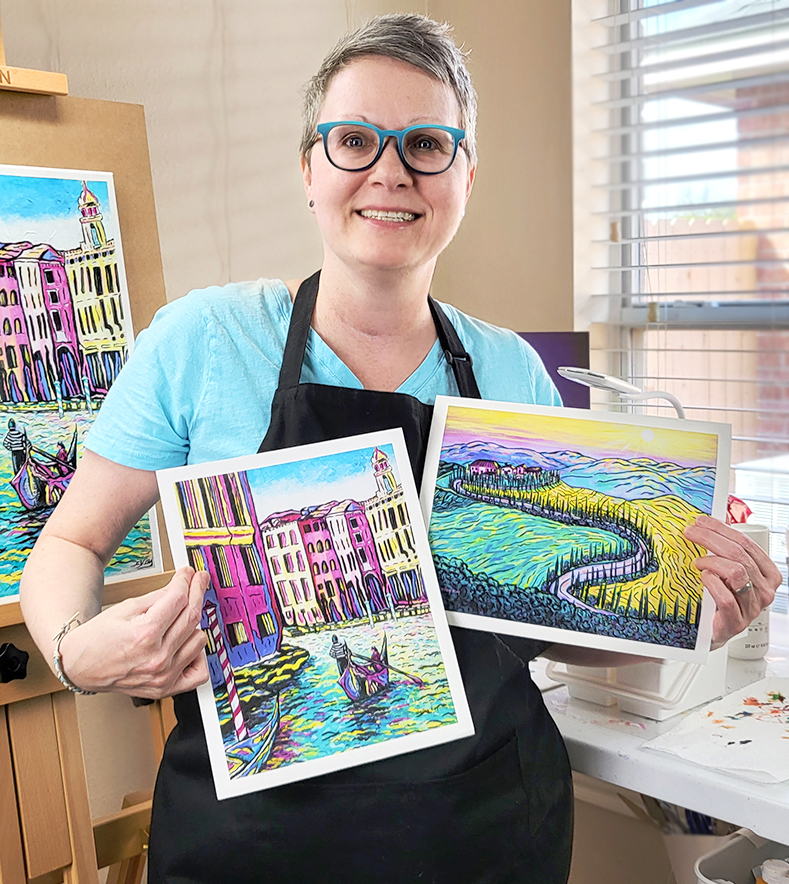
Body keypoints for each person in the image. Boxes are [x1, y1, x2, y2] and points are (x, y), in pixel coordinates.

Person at [19, 13, 780, 884]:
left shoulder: (510, 370)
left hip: (487, 831)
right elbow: (70, 541)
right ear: (309, 169)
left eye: (425, 144)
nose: (389, 171)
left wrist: (685, 618)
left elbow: (555, 630)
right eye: (354, 141)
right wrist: (75, 650)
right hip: (253, 846)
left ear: (464, 177)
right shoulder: (205, 340)